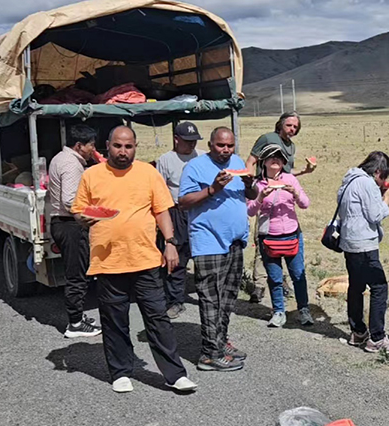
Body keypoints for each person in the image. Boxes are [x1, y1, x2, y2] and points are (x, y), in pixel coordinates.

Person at [72, 126, 197, 393]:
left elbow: (161, 211)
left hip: (146, 260)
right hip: (108, 261)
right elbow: (79, 211)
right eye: (118, 146)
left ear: (135, 147)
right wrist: (83, 219)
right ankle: (120, 372)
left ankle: (174, 374)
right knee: (114, 320)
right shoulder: (91, 175)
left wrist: (171, 243)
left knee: (158, 319)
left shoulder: (148, 173)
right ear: (108, 145)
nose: (123, 151)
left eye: (128, 147)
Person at [179, 127, 257, 372]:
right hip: (208, 242)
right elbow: (183, 202)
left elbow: (251, 195)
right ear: (211, 144)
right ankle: (209, 355)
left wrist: (250, 185)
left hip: (234, 242)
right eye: (221, 145)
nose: (226, 150)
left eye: (230, 145)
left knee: (228, 297)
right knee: (211, 298)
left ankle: (220, 342)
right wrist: (212, 189)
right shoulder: (195, 167)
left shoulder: (237, 162)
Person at [245, 112, 316, 303]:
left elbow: (285, 174)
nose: (292, 129)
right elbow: (251, 161)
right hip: (264, 194)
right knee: (264, 241)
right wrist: (251, 188)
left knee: (285, 242)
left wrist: (304, 172)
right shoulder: (267, 138)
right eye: (289, 125)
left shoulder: (291, 146)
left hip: (282, 198)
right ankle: (260, 285)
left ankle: (281, 280)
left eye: (295, 127)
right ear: (280, 124)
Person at [247, 144, 312, 328]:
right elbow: (250, 211)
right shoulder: (257, 184)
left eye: (279, 157)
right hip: (269, 237)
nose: (275, 159)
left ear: (284, 162)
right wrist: (260, 197)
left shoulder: (290, 179)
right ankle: (278, 312)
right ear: (264, 162)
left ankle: (304, 310)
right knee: (274, 277)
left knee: (298, 275)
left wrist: (295, 193)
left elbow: (305, 204)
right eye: (271, 156)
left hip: (292, 235)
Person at [337, 151, 389, 353]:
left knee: (356, 286)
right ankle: (377, 337)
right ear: (378, 171)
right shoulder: (367, 183)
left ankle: (358, 331)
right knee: (379, 287)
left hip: (349, 242)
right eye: (384, 176)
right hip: (364, 244)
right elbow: (375, 215)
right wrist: (386, 199)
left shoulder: (349, 180)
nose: (383, 181)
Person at [48, 124, 101, 338]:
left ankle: (78, 317)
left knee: (76, 273)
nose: (93, 150)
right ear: (79, 145)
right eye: (91, 146)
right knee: (76, 276)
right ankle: (75, 324)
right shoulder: (71, 165)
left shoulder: (60, 158)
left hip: (62, 223)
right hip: (70, 224)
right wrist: (96, 212)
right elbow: (70, 200)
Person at [155, 121, 204, 319]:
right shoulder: (166, 160)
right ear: (176, 139)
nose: (191, 144)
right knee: (177, 257)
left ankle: (206, 295)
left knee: (203, 255)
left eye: (194, 141)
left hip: (199, 210)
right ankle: (175, 300)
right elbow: (160, 189)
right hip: (177, 211)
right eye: (187, 141)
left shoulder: (202, 156)